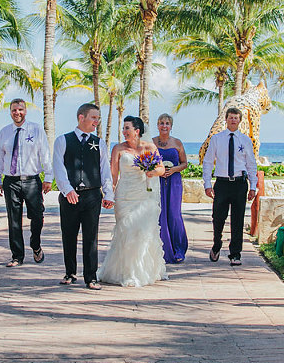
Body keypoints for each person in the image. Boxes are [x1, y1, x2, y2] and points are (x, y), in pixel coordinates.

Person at [97, 116, 168, 287]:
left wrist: (151, 170)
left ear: (137, 131)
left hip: (144, 195)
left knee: (143, 233)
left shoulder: (149, 147)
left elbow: (161, 169)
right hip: (124, 196)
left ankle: (142, 271)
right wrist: (108, 195)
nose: (124, 131)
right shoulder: (118, 149)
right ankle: (126, 271)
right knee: (126, 231)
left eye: (127, 128)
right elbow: (113, 175)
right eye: (123, 128)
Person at [52, 103, 114, 290]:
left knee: (91, 237)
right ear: (81, 117)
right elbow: (58, 167)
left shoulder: (99, 142)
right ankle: (70, 273)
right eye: (94, 117)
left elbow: (105, 170)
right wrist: (67, 190)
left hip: (92, 196)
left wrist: (108, 193)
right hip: (69, 196)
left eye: (98, 118)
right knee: (68, 235)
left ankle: (91, 277)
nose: (97, 121)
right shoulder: (62, 140)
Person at [0, 99, 53, 267]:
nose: (17, 113)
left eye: (20, 109)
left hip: (32, 180)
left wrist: (48, 177)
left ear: (25, 111)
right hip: (10, 181)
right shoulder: (4, 132)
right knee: (14, 220)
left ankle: (35, 245)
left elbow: (45, 153)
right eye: (14, 110)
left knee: (37, 216)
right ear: (10, 112)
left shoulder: (36, 129)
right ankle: (17, 256)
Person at [202, 107, 257, 266]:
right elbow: (207, 162)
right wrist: (207, 184)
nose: (233, 120)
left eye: (236, 118)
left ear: (240, 121)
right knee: (218, 218)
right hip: (222, 183)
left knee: (238, 219)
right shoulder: (217, 139)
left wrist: (253, 186)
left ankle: (235, 254)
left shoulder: (245, 140)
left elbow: (251, 164)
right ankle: (217, 244)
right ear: (226, 120)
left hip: (239, 184)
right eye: (230, 117)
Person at [153, 113, 189, 263]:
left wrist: (173, 170)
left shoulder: (177, 143)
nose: (164, 126)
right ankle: (160, 250)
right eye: (161, 123)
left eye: (167, 123)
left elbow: (184, 163)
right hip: (157, 182)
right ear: (158, 125)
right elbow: (146, 161)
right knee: (159, 214)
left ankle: (178, 249)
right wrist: (157, 171)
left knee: (174, 215)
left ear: (171, 126)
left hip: (174, 182)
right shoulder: (151, 142)